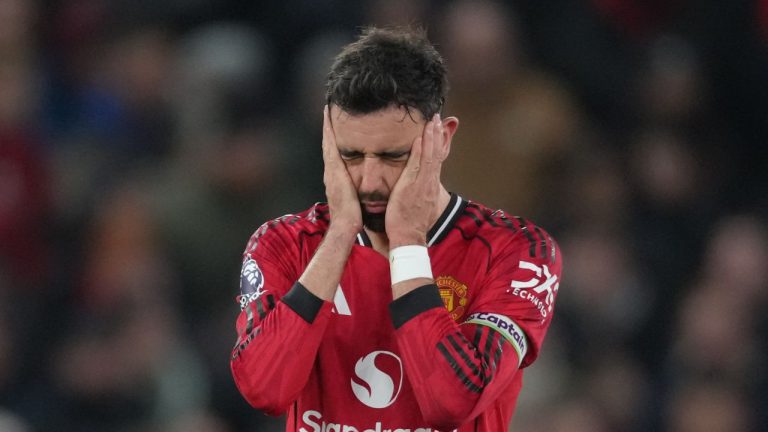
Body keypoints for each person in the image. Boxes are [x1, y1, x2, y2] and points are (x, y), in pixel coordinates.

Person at [230, 26, 563, 432]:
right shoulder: (283, 244)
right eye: (350, 155)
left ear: (442, 139)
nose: (370, 181)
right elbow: (265, 390)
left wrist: (407, 242)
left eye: (393, 157)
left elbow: (453, 402)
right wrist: (339, 235)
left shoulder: (516, 251)